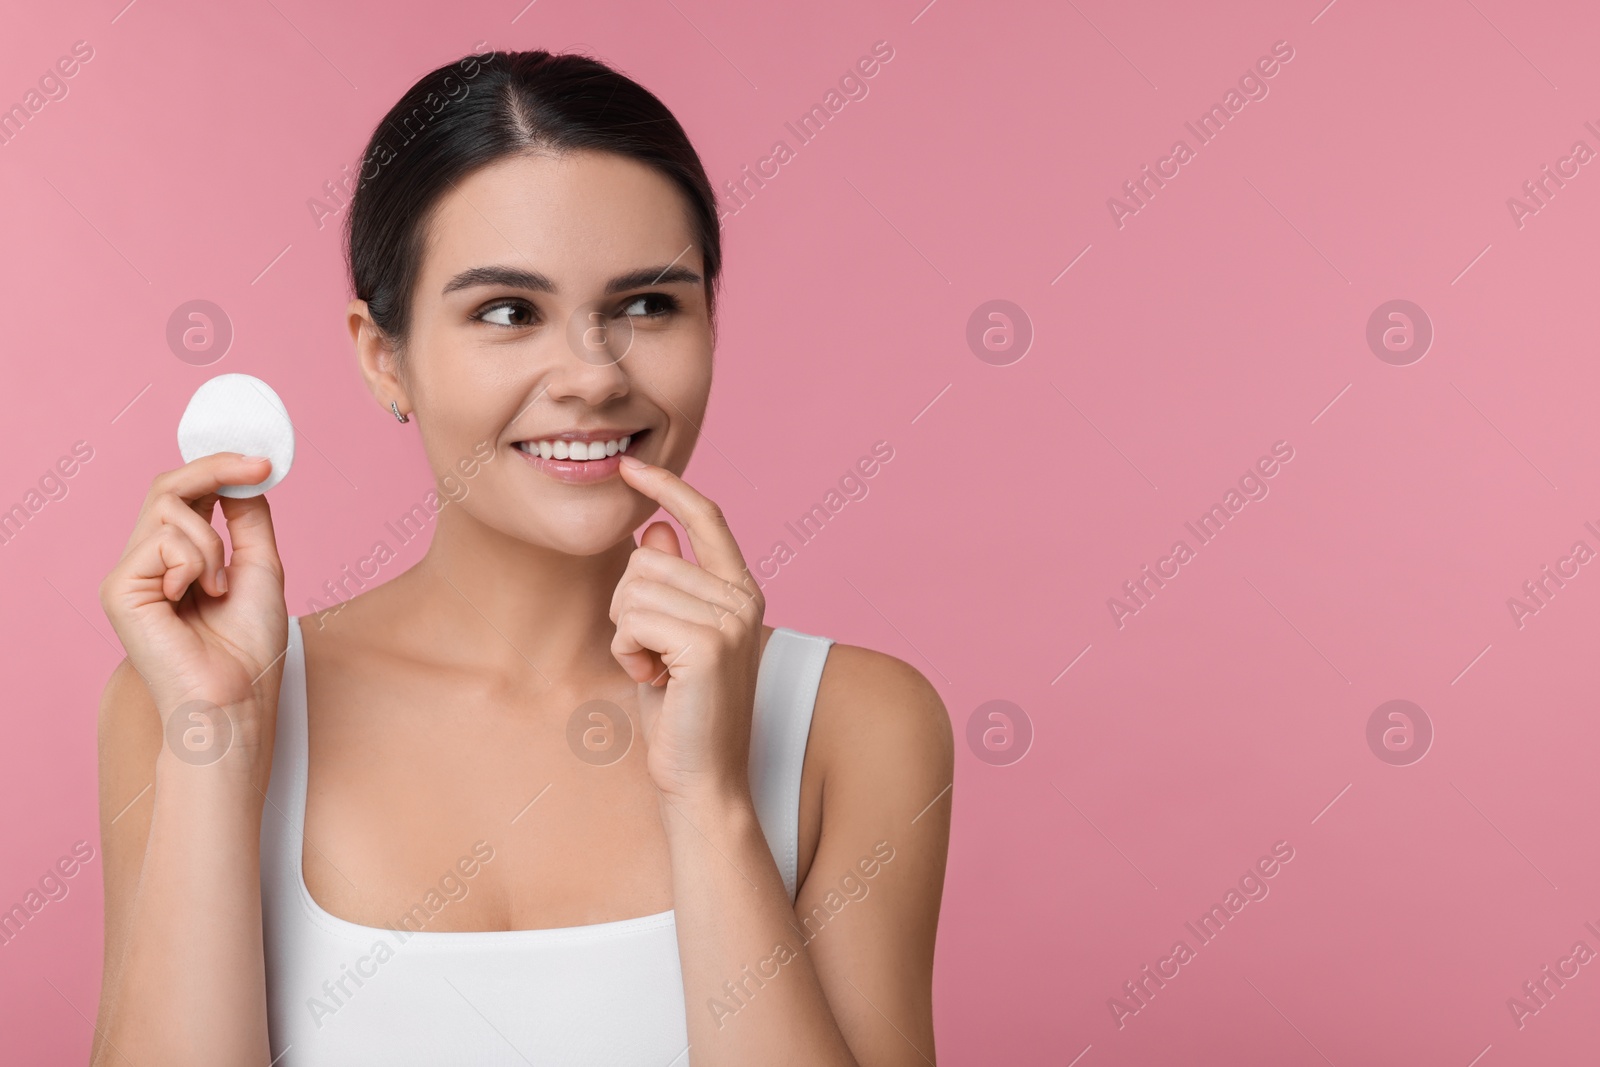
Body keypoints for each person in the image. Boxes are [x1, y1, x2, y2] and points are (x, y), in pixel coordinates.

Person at [92, 47, 952, 1065]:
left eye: (647, 305)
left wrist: (710, 802)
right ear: (384, 356)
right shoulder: (183, 701)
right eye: (508, 311)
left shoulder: (857, 726)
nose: (591, 376)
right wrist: (218, 740)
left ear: (712, 325)